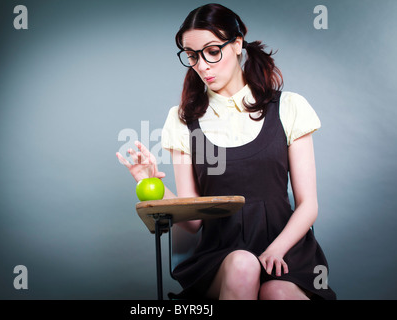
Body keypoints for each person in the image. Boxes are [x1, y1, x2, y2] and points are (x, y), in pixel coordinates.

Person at [116, 3, 336, 300]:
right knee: (244, 266)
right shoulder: (183, 118)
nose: (202, 65)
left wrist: (275, 250)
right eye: (192, 55)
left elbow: (308, 204)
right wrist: (148, 181)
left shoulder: (289, 107)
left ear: (236, 44)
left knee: (279, 294)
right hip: (221, 254)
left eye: (212, 51)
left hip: (286, 250)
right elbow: (192, 220)